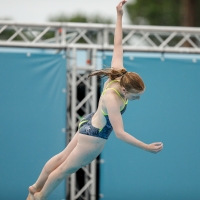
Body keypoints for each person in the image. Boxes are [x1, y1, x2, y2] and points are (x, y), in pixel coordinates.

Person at [27, 1, 163, 199]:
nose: (138, 99)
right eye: (135, 96)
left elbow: (118, 44)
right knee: (63, 170)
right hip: (95, 136)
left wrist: (119, 15)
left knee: (62, 157)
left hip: (89, 123)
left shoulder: (118, 74)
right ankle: (39, 196)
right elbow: (120, 133)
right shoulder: (112, 99)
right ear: (124, 90)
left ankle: (35, 186)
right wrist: (146, 147)